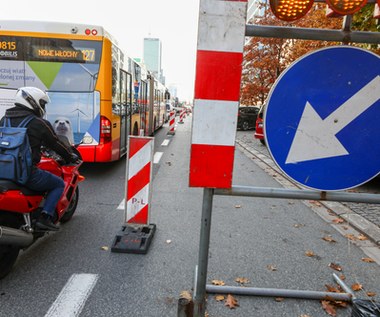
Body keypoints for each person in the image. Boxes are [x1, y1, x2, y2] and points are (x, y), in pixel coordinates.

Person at [0, 87, 78, 231]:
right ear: (32, 102)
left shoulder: (4, 120)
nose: (42, 107)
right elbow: (56, 144)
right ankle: (45, 217)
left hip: (3, 172)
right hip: (26, 174)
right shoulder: (38, 123)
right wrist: (70, 156)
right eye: (42, 103)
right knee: (58, 184)